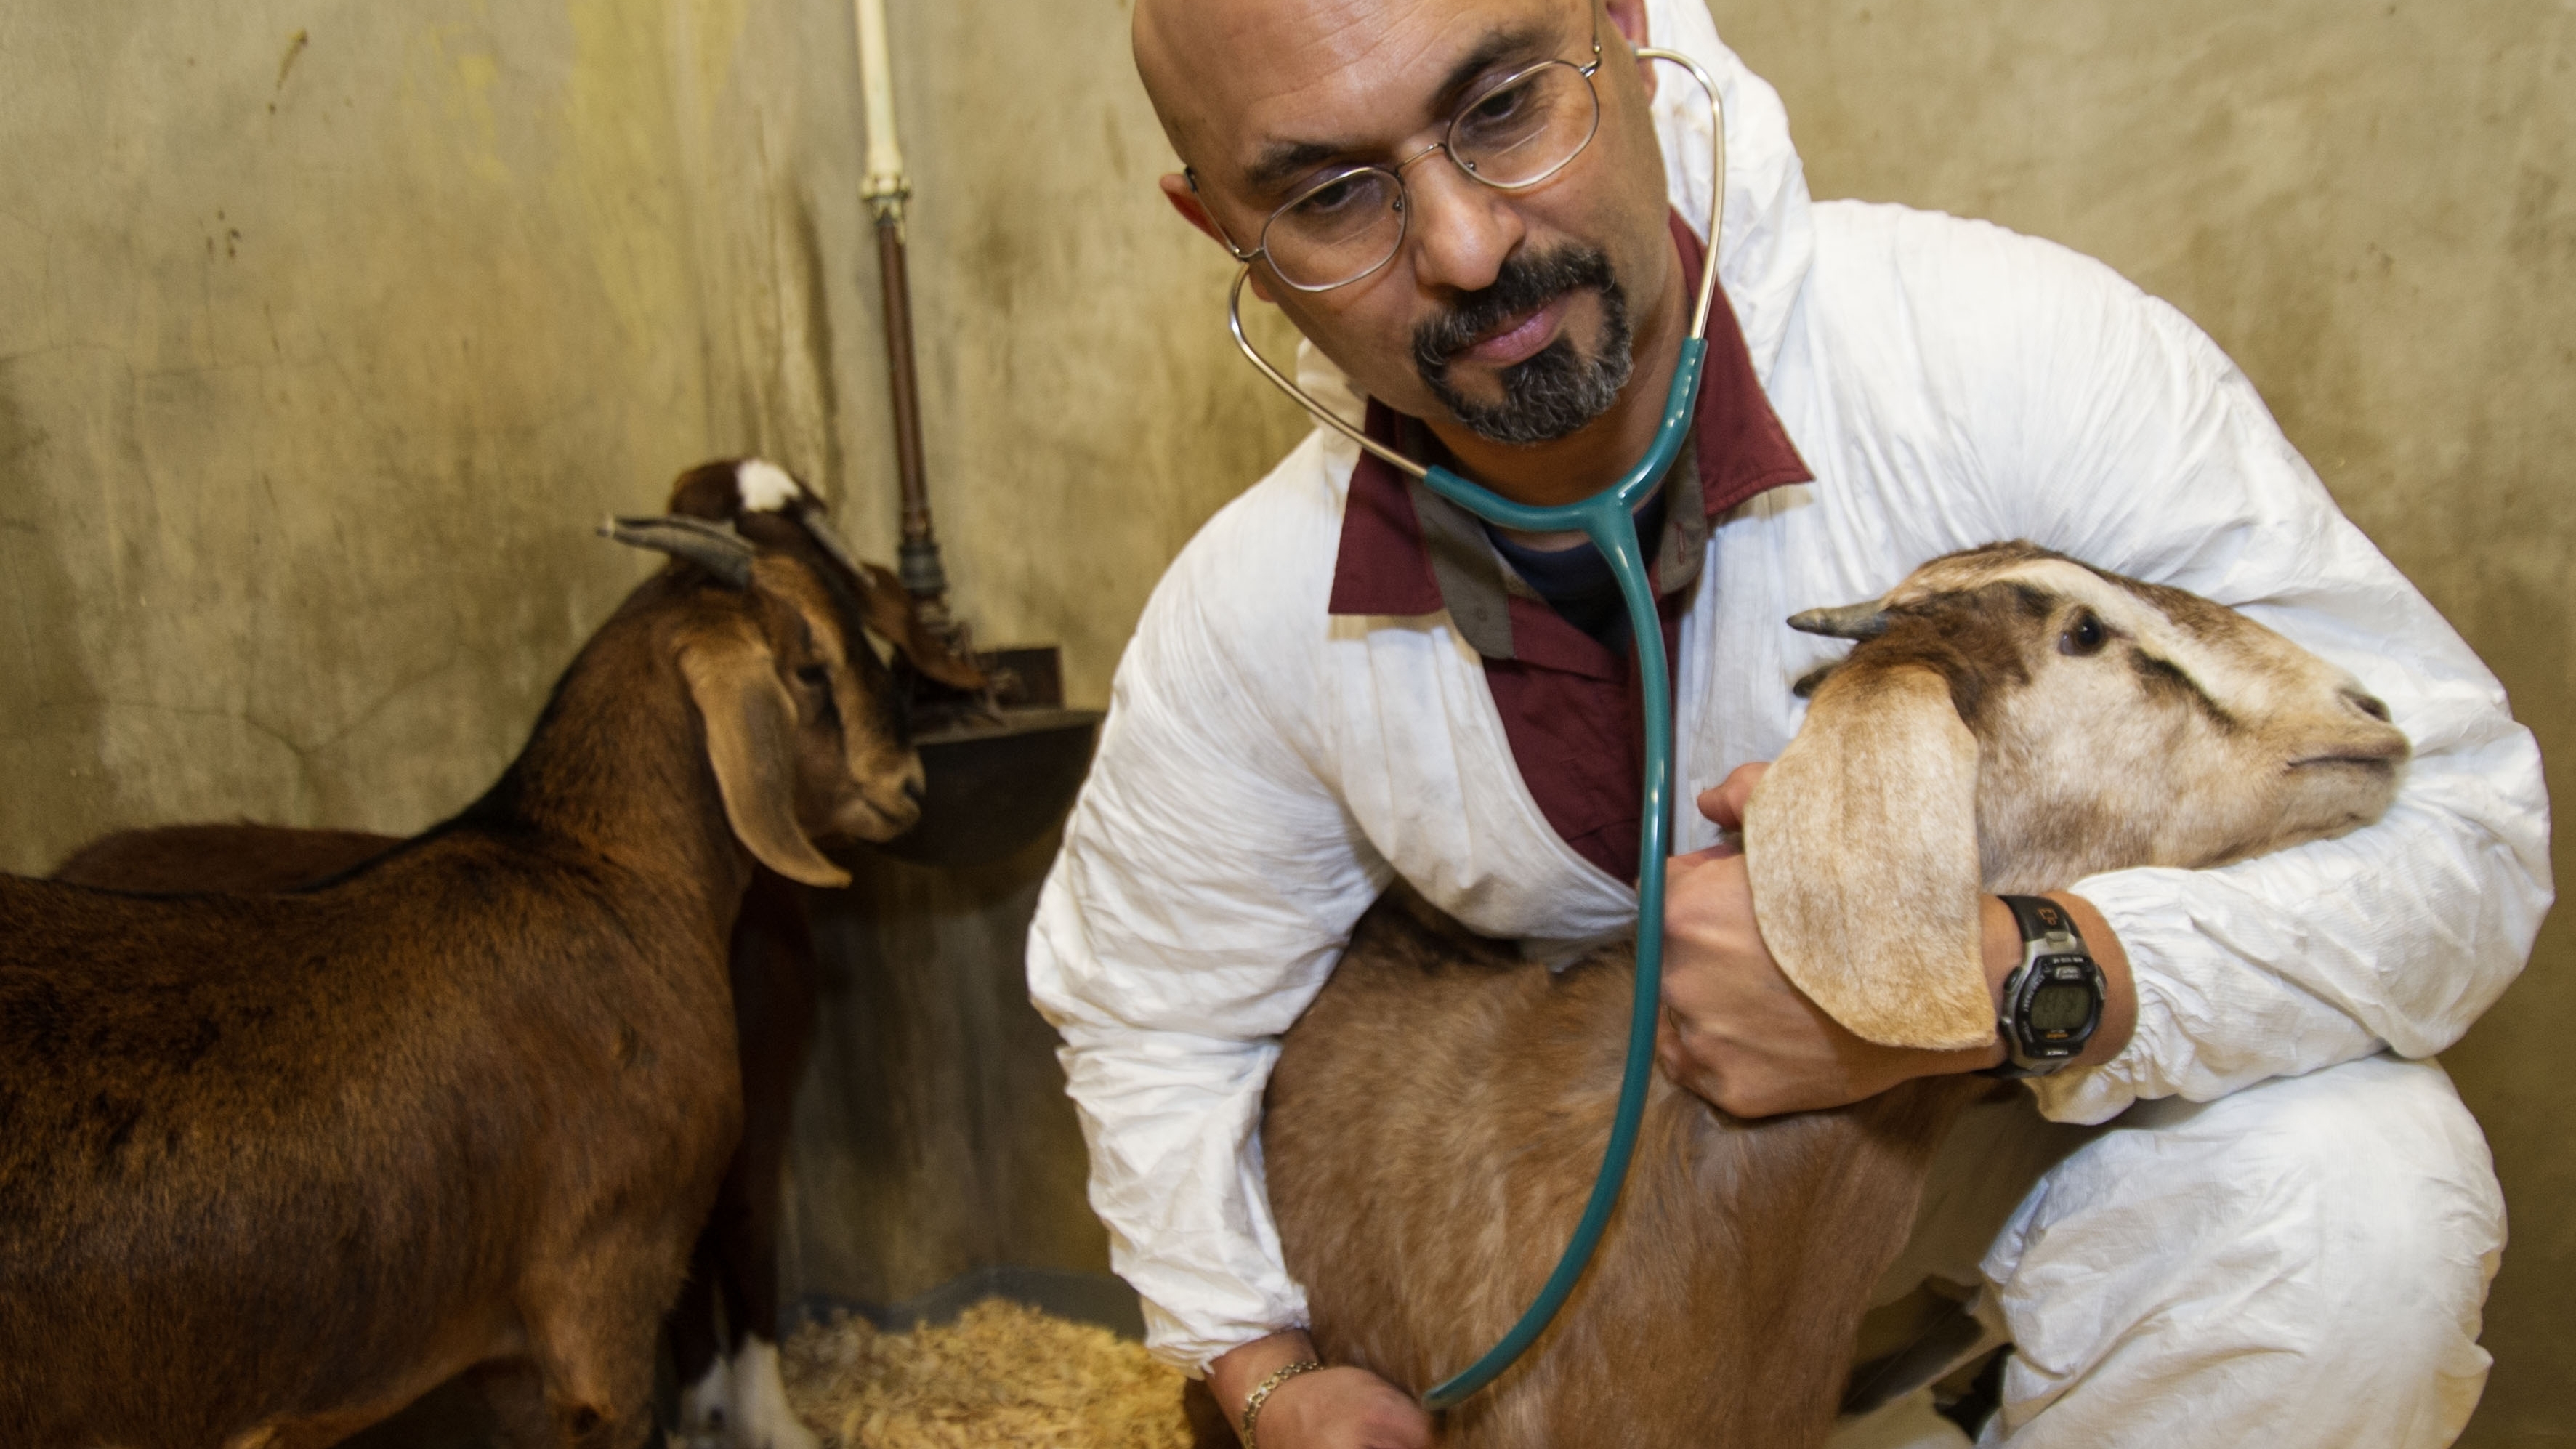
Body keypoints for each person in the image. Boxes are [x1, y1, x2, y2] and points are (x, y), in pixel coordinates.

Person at [1026, 0, 2551, 1445]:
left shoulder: (2006, 364)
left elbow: (2460, 831)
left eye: (1502, 107)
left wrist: (2005, 977)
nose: (1468, 242)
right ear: (1223, 227)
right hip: (1668, 1209)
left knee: (2356, 1206)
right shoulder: (1252, 612)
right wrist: (1261, 1365)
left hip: (2032, 1137)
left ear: (1624, 37)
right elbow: (1155, 1017)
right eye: (1333, 198)